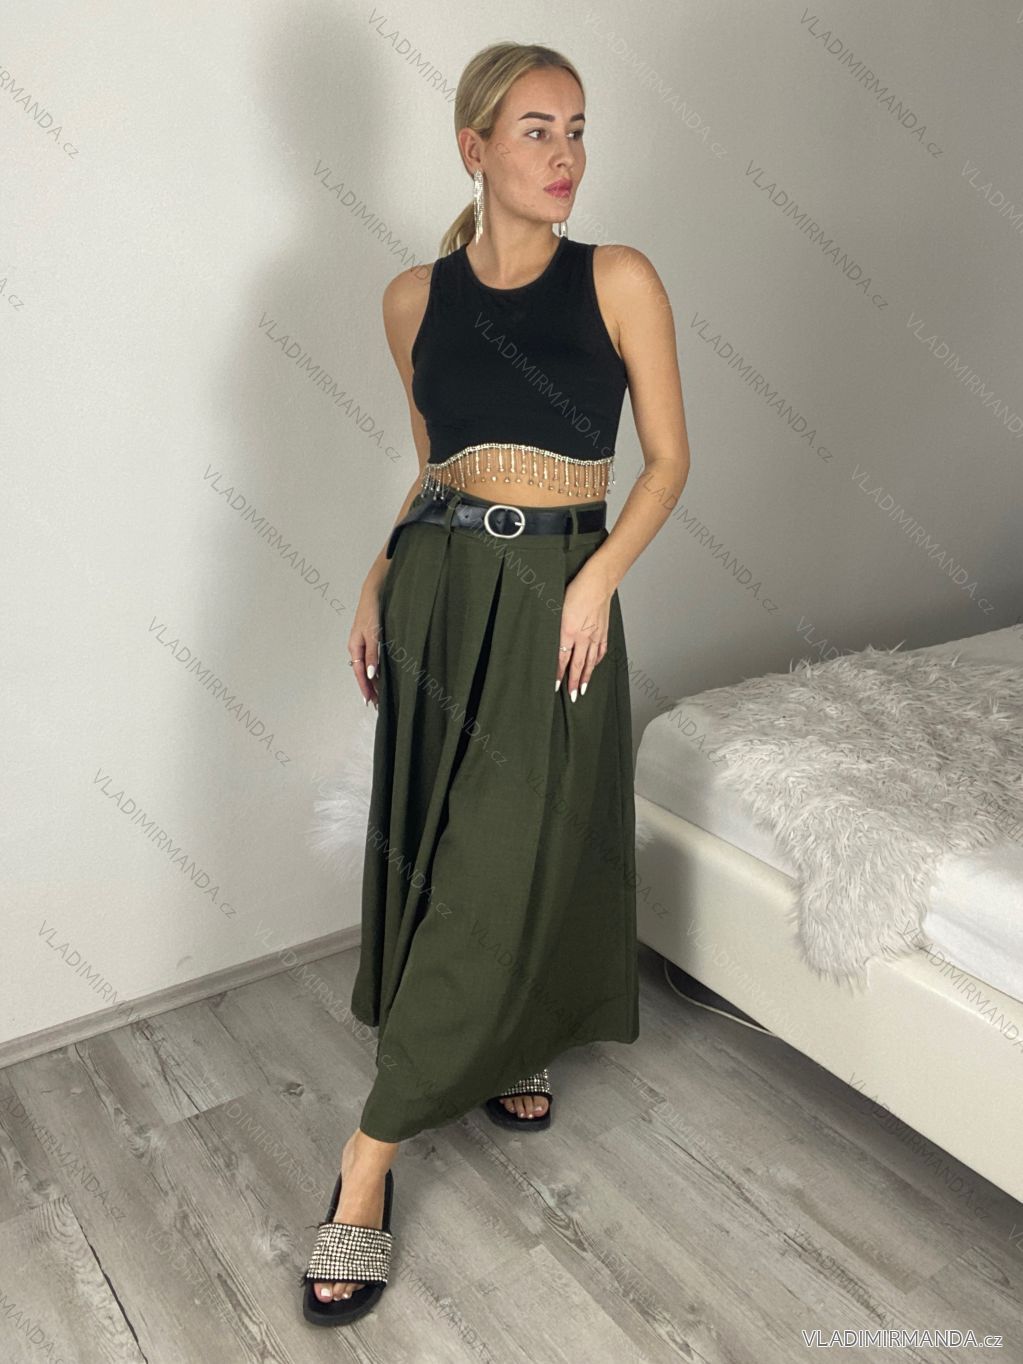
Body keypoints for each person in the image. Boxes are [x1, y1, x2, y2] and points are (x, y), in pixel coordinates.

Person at [299, 39, 691, 1327]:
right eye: (537, 130)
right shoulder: (411, 298)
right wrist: (374, 576)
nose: (566, 154)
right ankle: (504, 1038)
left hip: (556, 596)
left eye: (577, 129)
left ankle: (366, 1167)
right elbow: (435, 467)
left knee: (508, 847)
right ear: (473, 147)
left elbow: (668, 462)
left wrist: (597, 579)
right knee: (444, 841)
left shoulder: (619, 278)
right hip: (438, 586)